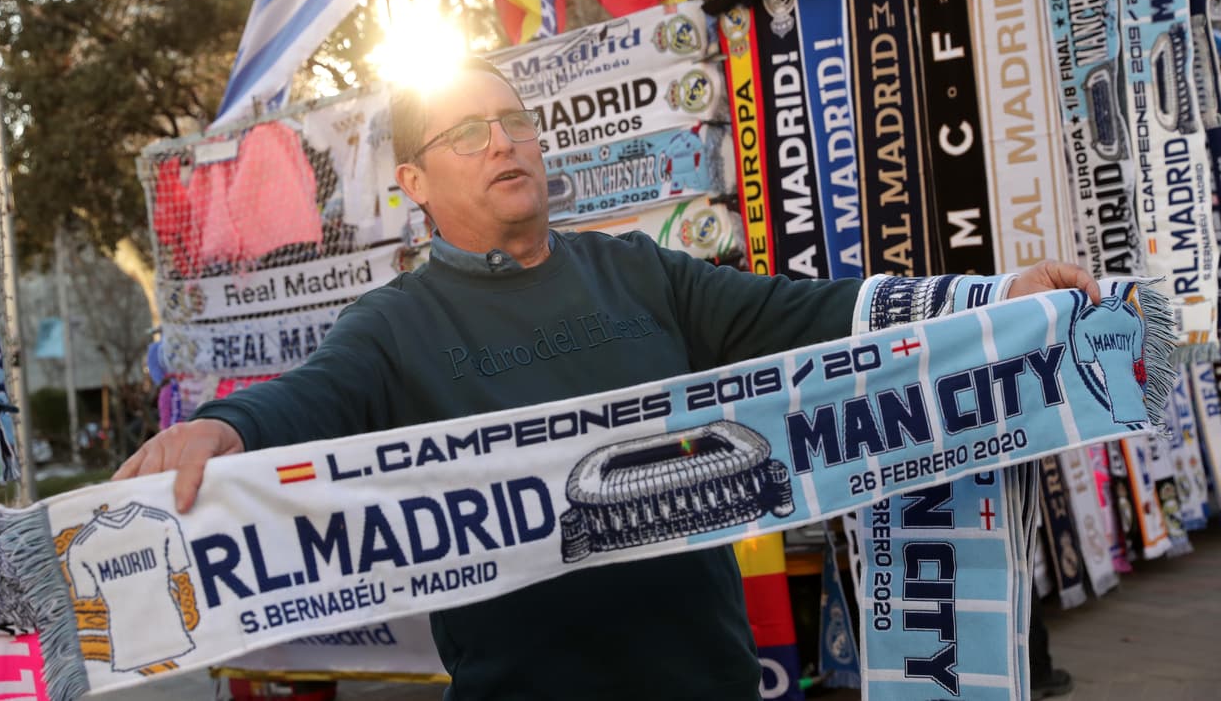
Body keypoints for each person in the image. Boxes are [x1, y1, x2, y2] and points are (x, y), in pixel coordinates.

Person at [117, 57, 1100, 700]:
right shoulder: (392, 325)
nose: (501, 141)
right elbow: (307, 400)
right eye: (467, 132)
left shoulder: (637, 271)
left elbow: (813, 313)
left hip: (710, 677)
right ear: (412, 182)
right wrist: (225, 430)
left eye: (512, 121)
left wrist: (990, 294)